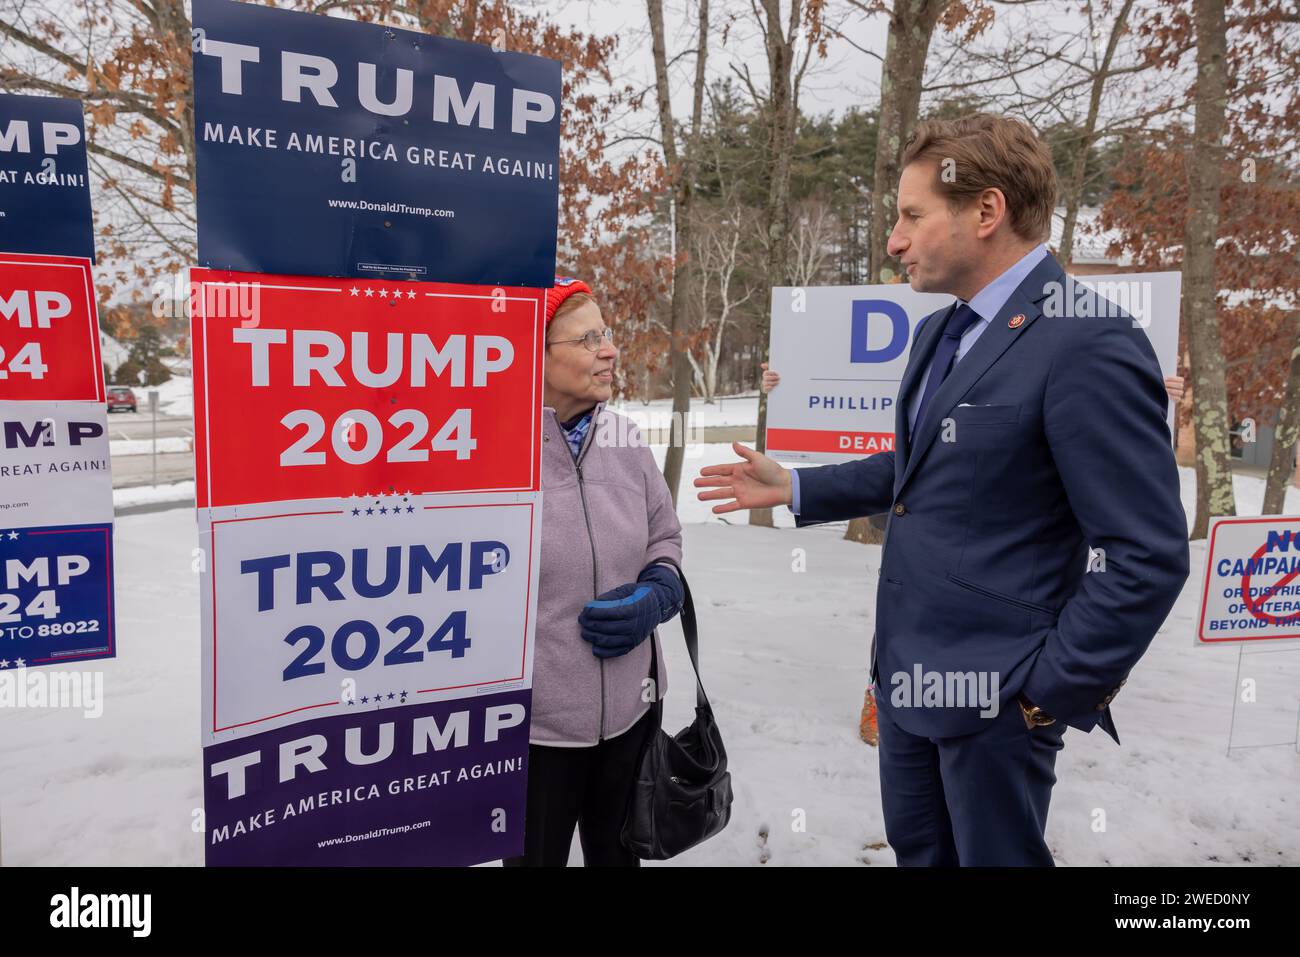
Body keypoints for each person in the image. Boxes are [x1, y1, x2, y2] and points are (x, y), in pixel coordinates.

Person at [697, 115, 1190, 866]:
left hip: (999, 707)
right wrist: (793, 485)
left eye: (912, 215)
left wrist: (1041, 696)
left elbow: (1146, 555)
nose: (894, 240)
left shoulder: (1087, 341)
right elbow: (921, 468)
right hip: (905, 686)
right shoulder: (941, 332)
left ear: (986, 212)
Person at [503, 276, 685, 868]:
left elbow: (664, 534)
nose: (610, 350)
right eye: (587, 340)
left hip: (631, 720)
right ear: (535, 354)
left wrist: (660, 590)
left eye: (606, 335)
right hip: (535, 735)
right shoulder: (490, 451)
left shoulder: (625, 438)